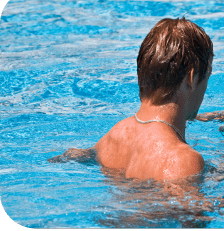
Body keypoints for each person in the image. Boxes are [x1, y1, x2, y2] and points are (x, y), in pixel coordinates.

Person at [49, 17, 213, 181]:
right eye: (207, 76)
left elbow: (73, 156)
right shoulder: (181, 159)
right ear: (191, 78)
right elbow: (184, 206)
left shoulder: (114, 137)